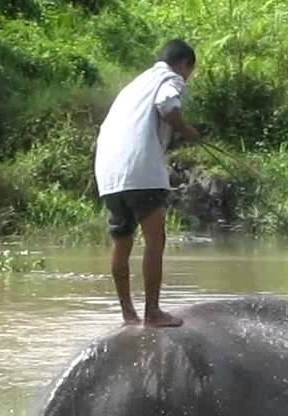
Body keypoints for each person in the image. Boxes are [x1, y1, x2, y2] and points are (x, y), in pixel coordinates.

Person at [93, 39, 201, 327]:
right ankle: (153, 312)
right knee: (155, 239)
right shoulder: (169, 78)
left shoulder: (134, 86)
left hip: (109, 172)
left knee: (122, 242)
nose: (186, 77)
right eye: (188, 71)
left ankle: (129, 314)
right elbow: (167, 105)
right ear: (183, 64)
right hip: (141, 169)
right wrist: (185, 129)